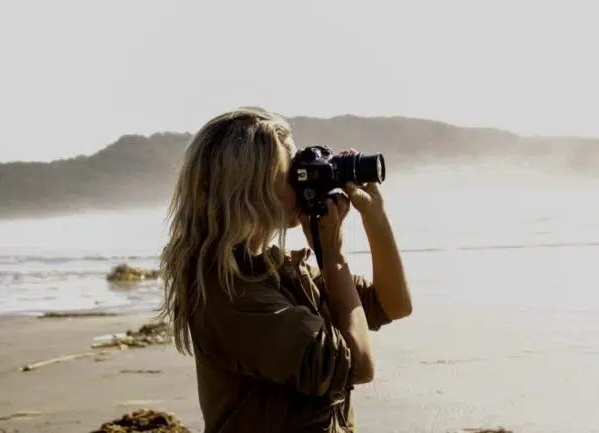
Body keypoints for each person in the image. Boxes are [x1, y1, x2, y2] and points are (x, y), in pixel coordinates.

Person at [158, 107, 412, 433]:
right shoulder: (230, 291)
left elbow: (393, 304)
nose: (302, 176)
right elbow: (357, 365)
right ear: (251, 187)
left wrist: (374, 217)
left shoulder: (282, 270)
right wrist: (332, 256)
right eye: (290, 170)